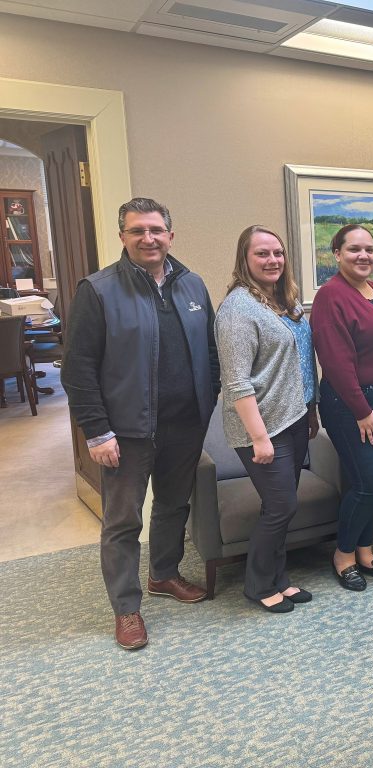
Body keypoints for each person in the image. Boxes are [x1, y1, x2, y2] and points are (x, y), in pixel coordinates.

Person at [61, 197, 219, 650]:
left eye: (156, 229)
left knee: (173, 506)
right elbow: (78, 370)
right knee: (122, 520)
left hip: (184, 425)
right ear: (123, 237)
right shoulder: (98, 289)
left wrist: (206, 404)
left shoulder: (192, 285)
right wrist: (96, 430)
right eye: (137, 231)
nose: (148, 238)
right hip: (125, 432)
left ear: (171, 234)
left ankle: (164, 575)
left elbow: (209, 353)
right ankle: (126, 607)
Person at [216, 226, 319, 613]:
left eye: (277, 252)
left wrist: (311, 408)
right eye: (262, 254)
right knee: (281, 506)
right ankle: (259, 584)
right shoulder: (238, 310)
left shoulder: (284, 301)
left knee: (280, 506)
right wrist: (259, 437)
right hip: (262, 426)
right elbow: (236, 381)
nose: (272, 260)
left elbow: (301, 363)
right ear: (245, 259)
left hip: (292, 418)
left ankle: (280, 579)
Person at [312, 224, 373, 592]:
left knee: (372, 482)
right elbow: (335, 362)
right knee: (370, 482)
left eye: (369, 249)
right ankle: (344, 554)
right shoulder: (330, 295)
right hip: (353, 403)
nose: (363, 256)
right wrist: (362, 410)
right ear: (337, 254)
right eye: (354, 249)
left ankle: (365, 551)